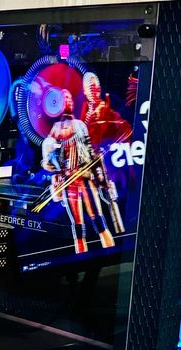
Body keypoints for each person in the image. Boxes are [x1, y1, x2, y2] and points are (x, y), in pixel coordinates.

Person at [42, 90, 115, 254]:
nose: (68, 100)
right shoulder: (56, 128)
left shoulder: (80, 125)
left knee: (99, 221)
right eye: (64, 98)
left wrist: (101, 176)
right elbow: (48, 155)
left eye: (69, 97)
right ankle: (81, 258)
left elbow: (90, 151)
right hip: (68, 182)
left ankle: (110, 254)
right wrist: (49, 163)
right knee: (78, 228)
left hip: (86, 177)